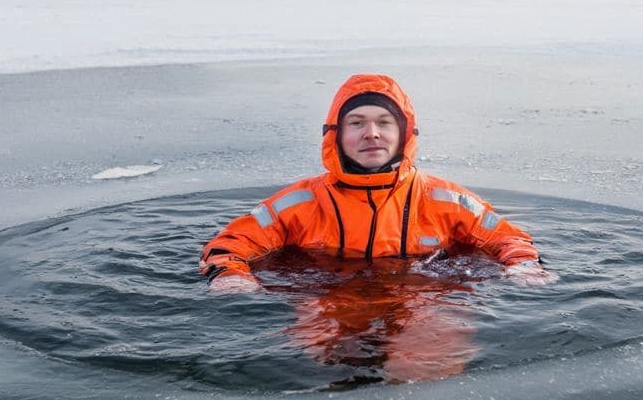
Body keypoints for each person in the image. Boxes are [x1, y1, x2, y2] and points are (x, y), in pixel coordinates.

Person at [200, 73, 555, 293]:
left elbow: (507, 237)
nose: (372, 133)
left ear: (404, 133)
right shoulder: (299, 204)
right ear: (336, 136)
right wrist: (230, 275)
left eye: (385, 122)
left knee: (428, 374)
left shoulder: (446, 201)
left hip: (425, 304)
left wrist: (523, 266)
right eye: (356, 123)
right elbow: (231, 244)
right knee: (325, 373)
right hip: (328, 303)